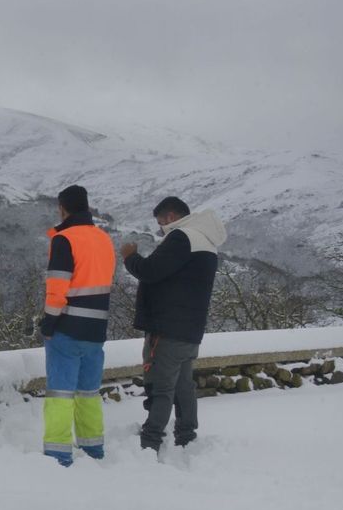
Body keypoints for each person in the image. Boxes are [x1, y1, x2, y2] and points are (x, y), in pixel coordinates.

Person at [120, 196, 229, 452]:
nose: (160, 230)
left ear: (170, 217)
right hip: (190, 329)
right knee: (183, 387)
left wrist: (130, 257)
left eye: (160, 224)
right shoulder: (206, 241)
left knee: (161, 385)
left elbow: (150, 271)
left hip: (167, 328)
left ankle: (151, 440)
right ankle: (186, 436)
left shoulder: (182, 237)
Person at [39, 184, 116, 466]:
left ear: (63, 208)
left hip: (67, 328)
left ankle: (59, 455)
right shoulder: (104, 239)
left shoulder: (64, 239)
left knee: (60, 393)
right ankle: (93, 450)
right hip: (96, 330)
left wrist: (48, 323)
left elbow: (57, 289)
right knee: (89, 393)